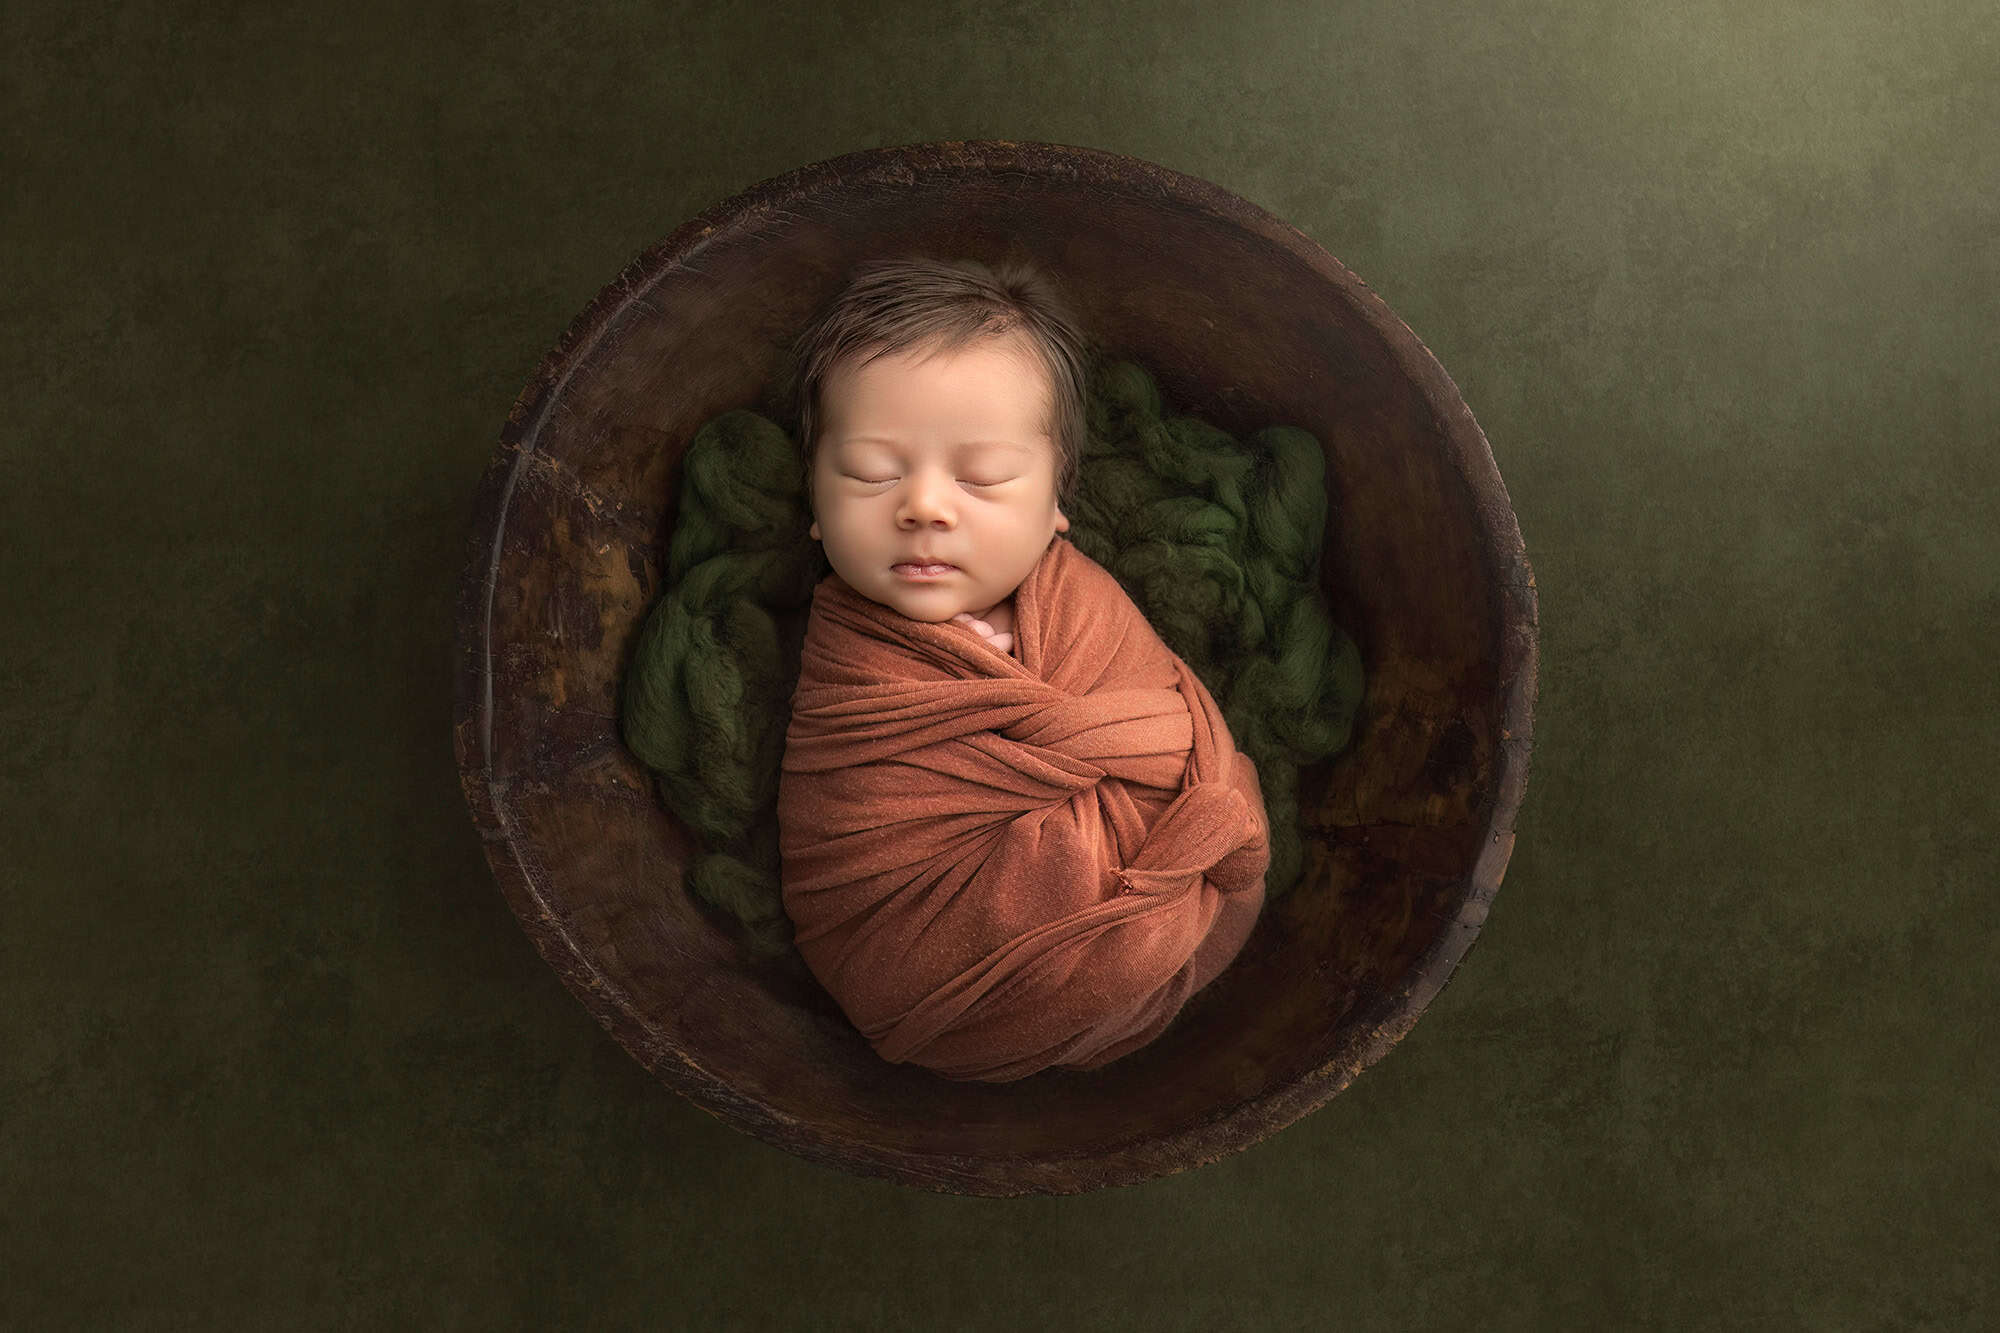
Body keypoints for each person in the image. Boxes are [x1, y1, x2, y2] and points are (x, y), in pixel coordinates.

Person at [776, 257, 1269, 1082]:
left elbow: (1181, 744)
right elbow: (852, 834)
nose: (925, 505)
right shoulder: (848, 667)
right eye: (870, 472)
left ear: (1054, 506)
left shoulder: (1085, 606)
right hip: (922, 972)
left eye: (984, 476)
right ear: (817, 511)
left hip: (1161, 912)